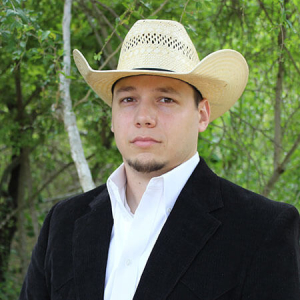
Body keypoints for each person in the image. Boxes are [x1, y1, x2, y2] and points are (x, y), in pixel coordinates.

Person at [20, 19, 300, 300]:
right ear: (112, 117)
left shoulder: (262, 229)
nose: (144, 117)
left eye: (166, 99)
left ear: (202, 115)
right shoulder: (63, 223)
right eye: (128, 99)